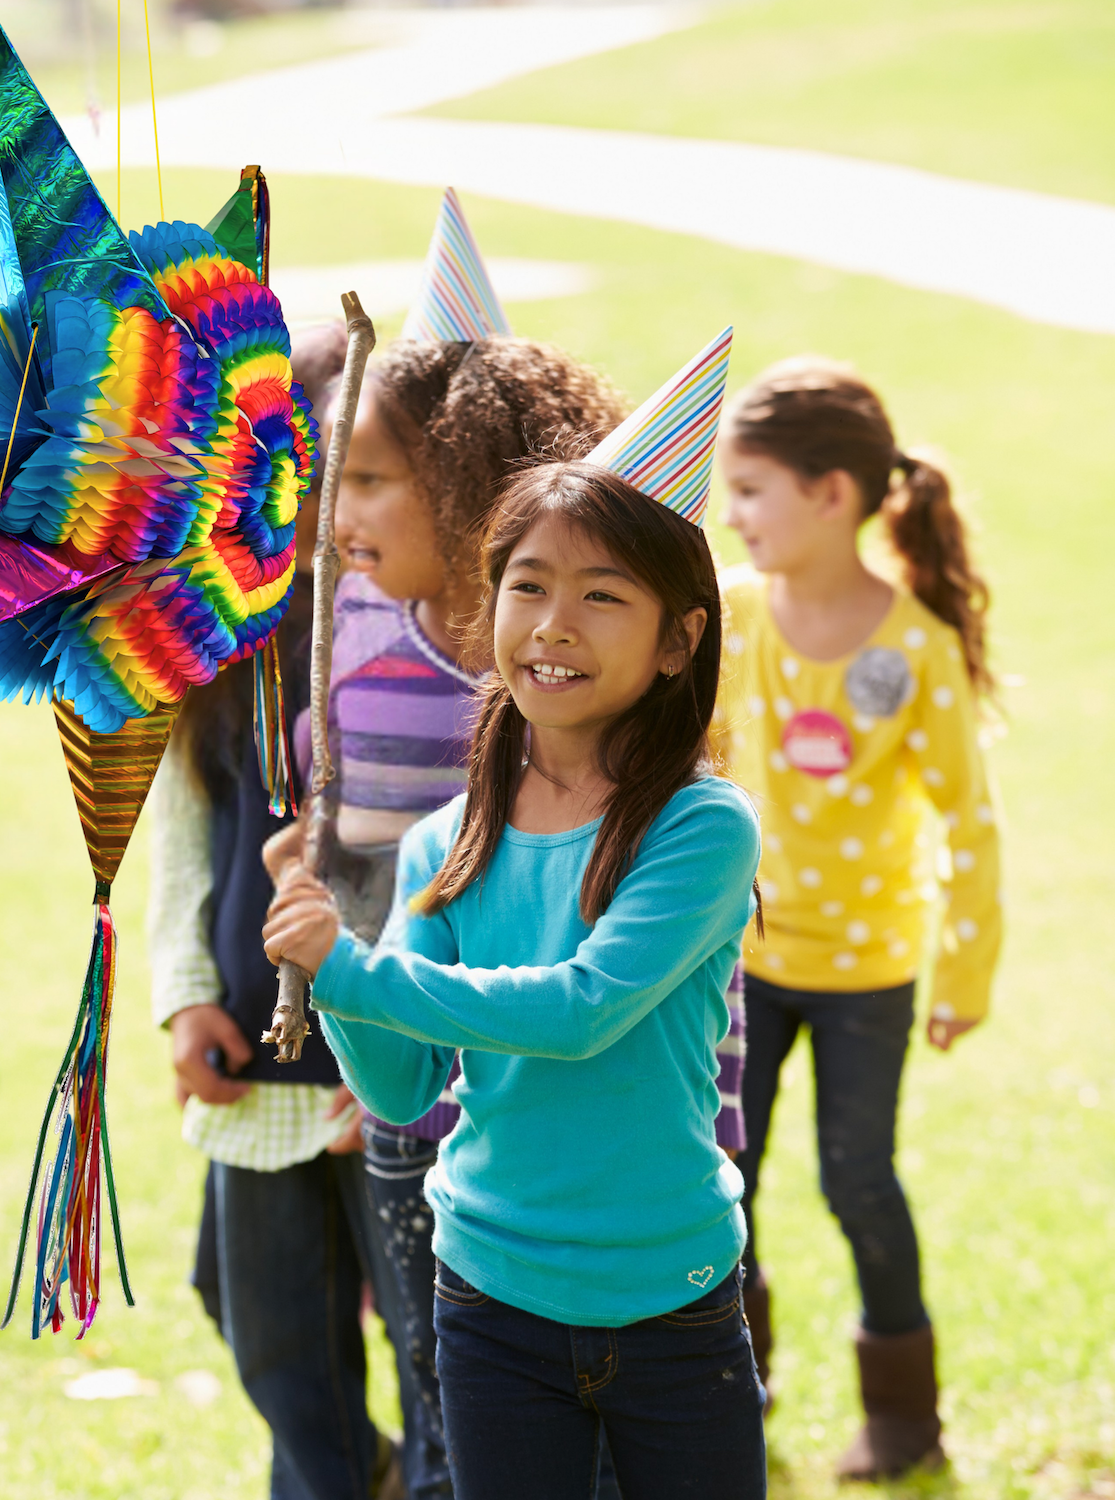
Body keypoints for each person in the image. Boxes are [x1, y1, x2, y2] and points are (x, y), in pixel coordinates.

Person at [263, 459, 767, 1500]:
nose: (555, 623)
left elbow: (580, 1011)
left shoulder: (699, 828)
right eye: (529, 584)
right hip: (490, 1298)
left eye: (603, 595)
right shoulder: (446, 844)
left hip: (669, 1293)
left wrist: (350, 968)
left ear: (681, 640)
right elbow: (402, 1088)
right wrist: (331, 962)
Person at [281, 334, 629, 1500]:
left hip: (527, 1120)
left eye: (371, 477)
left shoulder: (543, 694)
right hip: (410, 1082)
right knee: (443, 1389)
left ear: (468, 485)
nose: (340, 510)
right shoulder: (369, 636)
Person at [716, 357, 1002, 1479]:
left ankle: (902, 1414)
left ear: (831, 494)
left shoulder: (916, 649)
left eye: (749, 491)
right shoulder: (734, 618)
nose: (730, 516)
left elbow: (972, 825)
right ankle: (730, 1374)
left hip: (867, 977)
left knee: (857, 1180)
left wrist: (962, 983)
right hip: (738, 959)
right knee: (724, 1172)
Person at [146, 322, 404, 1500]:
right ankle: (347, 1481)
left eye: (364, 474)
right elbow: (190, 824)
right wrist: (184, 992)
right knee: (269, 1330)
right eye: (303, 470)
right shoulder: (227, 633)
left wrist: (413, 1052)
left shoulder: (431, 640)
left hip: (385, 1063)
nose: (327, 504)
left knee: (425, 1329)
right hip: (255, 1054)